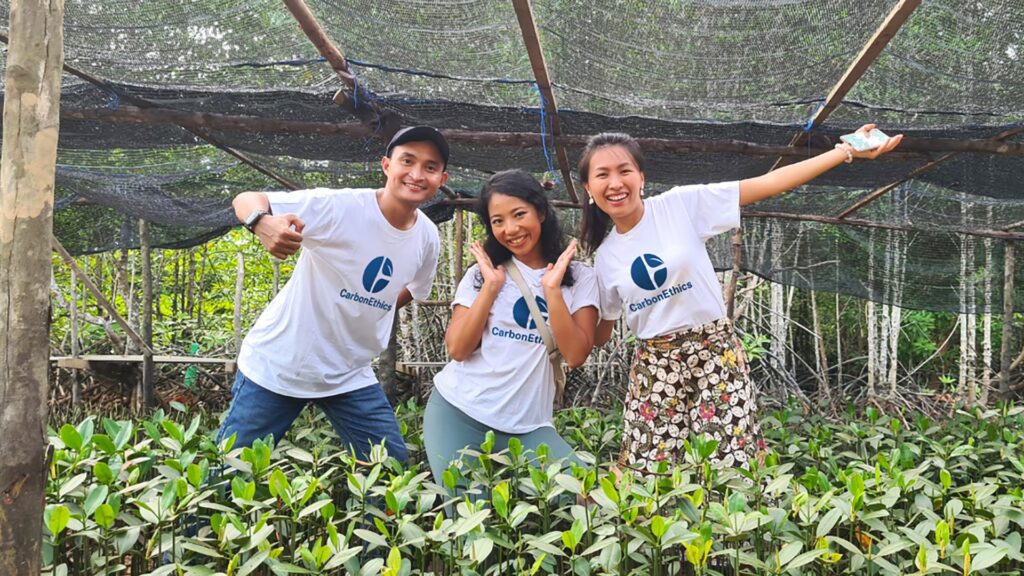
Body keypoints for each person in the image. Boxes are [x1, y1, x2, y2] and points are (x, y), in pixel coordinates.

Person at [579, 124, 902, 474]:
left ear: (641, 177)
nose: (615, 183)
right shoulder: (606, 257)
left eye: (624, 171)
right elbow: (601, 333)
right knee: (649, 469)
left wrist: (844, 151)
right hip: (655, 364)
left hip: (715, 352)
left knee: (729, 463)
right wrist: (559, 292)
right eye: (603, 175)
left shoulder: (679, 206)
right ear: (589, 189)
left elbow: (765, 185)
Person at [218, 126, 449, 463]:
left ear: (441, 179)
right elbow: (247, 199)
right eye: (407, 161)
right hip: (279, 365)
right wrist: (261, 222)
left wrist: (373, 306)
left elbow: (413, 289)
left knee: (389, 472)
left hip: (349, 373)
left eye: (430, 167)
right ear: (386, 165)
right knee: (230, 475)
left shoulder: (428, 238)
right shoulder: (342, 208)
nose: (416, 174)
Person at [423, 169, 599, 484]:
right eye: (498, 221)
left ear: (541, 212)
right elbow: (458, 349)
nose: (511, 229)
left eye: (519, 214)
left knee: (589, 498)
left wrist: (553, 291)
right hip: (458, 413)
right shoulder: (481, 275)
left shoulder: (580, 277)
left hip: (530, 427)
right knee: (470, 525)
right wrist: (491, 287)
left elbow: (575, 356)